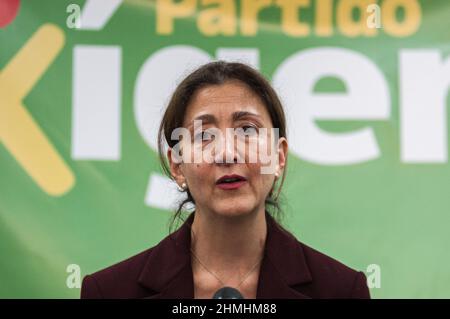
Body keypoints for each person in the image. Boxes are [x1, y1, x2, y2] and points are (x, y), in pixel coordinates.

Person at [80, 61, 370, 299]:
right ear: (177, 165)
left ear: (279, 156)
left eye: (247, 130)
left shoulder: (342, 291)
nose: (227, 153)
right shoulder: (109, 292)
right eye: (204, 135)